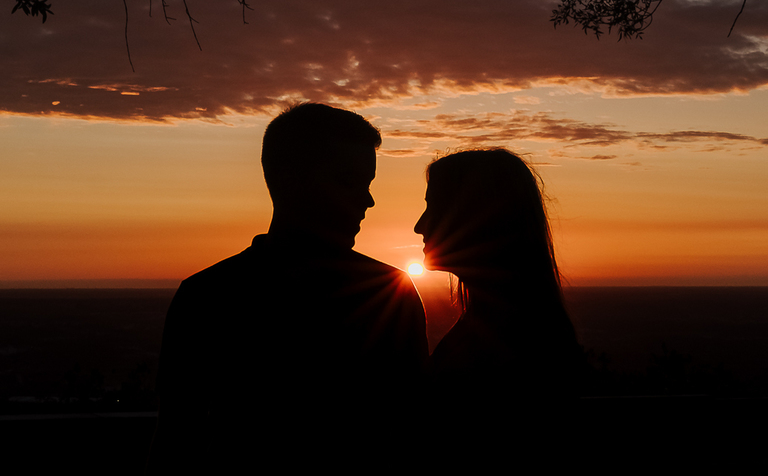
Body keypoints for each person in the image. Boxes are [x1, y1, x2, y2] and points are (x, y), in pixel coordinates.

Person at [149, 103, 427, 473]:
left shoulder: (208, 293)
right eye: (348, 181)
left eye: (368, 184)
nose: (367, 200)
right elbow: (177, 436)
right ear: (288, 179)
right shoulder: (206, 296)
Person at [413, 148, 583, 399]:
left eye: (434, 208)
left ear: (475, 217)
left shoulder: (520, 340)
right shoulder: (512, 324)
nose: (419, 226)